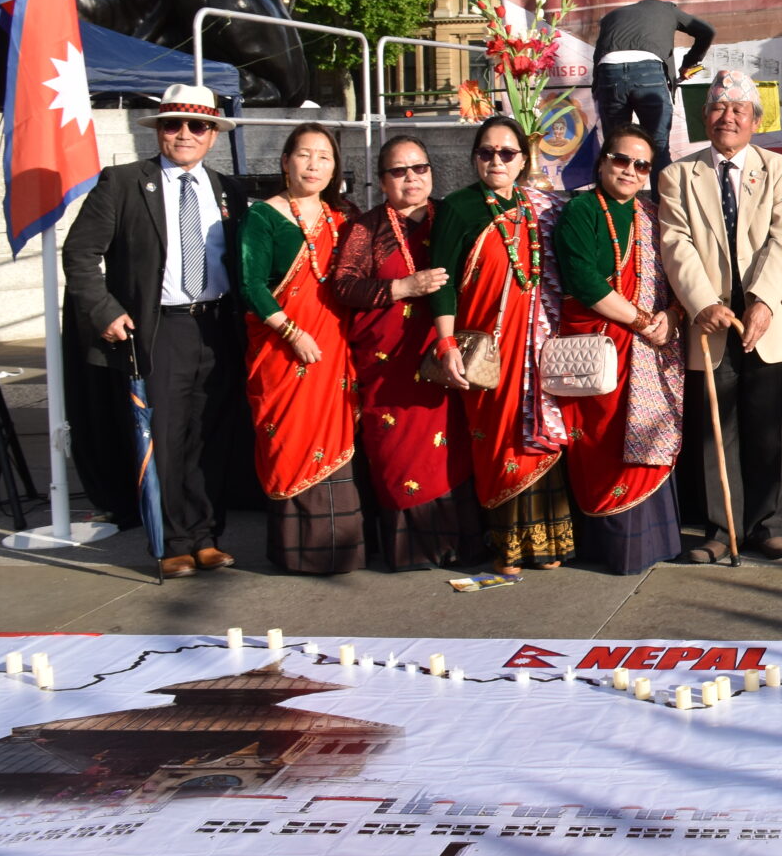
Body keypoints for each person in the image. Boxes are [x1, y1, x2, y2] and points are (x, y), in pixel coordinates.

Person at [63, 84, 243, 578]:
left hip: (217, 327)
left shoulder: (228, 190)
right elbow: (80, 253)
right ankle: (172, 542)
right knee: (164, 437)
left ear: (212, 135)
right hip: (160, 329)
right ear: (158, 130)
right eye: (172, 124)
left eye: (197, 125)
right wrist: (104, 310)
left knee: (210, 436)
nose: (185, 134)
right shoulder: (122, 183)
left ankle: (206, 535)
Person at [658, 69, 782, 564]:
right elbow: (676, 243)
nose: (728, 117)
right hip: (710, 321)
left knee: (771, 428)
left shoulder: (780, 169)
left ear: (755, 121)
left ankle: (768, 527)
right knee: (714, 431)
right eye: (719, 109)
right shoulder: (677, 175)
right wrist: (702, 302)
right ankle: (720, 531)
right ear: (704, 118)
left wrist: (762, 300)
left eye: (738, 109)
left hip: (769, 318)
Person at [332, 136, 485, 571]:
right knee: (397, 450)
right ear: (382, 181)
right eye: (398, 171)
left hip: (444, 352)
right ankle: (412, 550)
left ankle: (460, 545)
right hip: (390, 362)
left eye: (420, 168)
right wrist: (401, 287)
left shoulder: (449, 217)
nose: (411, 178)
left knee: (451, 448)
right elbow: (344, 286)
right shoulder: (366, 228)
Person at [431, 115, 575, 575]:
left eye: (507, 153)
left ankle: (547, 544)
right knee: (497, 440)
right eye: (486, 152)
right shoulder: (458, 208)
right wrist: (446, 343)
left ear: (522, 160)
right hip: (486, 349)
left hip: (537, 343)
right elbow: (442, 282)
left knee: (539, 437)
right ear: (475, 158)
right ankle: (507, 548)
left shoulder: (538, 207)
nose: (497, 161)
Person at [550, 124, 688, 574]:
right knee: (602, 443)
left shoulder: (653, 214)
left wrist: (672, 316)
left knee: (649, 437)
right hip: (599, 349)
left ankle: (656, 543)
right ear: (602, 162)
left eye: (641, 165)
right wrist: (643, 322)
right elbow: (584, 281)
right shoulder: (582, 210)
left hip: (650, 350)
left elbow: (676, 278)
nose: (630, 170)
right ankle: (611, 548)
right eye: (621, 159)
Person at [239, 123, 363, 574]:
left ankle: (340, 549)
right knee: (288, 440)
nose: (314, 164)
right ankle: (296, 552)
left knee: (335, 437)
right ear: (285, 162)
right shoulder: (263, 216)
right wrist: (292, 333)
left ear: (335, 168)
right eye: (304, 154)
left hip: (334, 349)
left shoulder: (343, 219)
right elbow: (251, 284)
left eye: (324, 156)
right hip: (283, 350)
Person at [592, 0, 716, 176]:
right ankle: (663, 195)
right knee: (658, 147)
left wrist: (598, 89)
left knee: (616, 148)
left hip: (609, 71)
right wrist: (689, 63)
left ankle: (612, 194)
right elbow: (707, 31)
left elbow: (598, 54)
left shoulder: (613, 15)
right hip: (648, 70)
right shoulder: (668, 10)